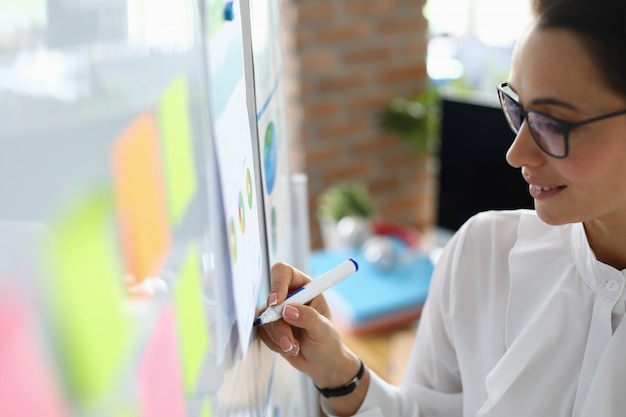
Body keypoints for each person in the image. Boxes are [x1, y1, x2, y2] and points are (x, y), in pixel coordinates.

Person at [258, 0, 626, 415]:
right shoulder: (484, 253)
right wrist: (339, 371)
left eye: (552, 123)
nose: (516, 152)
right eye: (518, 110)